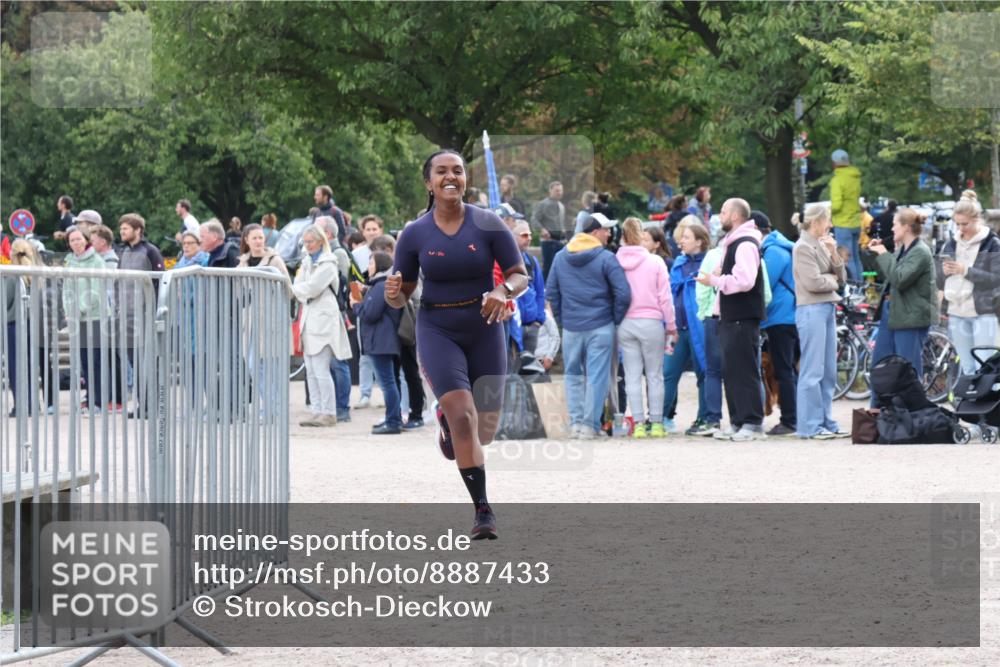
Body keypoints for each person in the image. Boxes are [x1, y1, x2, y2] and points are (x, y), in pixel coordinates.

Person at [386, 149, 528, 540]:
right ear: (428, 182)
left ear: (466, 179)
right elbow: (403, 293)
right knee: (463, 414)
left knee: (484, 430)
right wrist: (394, 292)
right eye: (442, 171)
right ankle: (483, 511)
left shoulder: (489, 224)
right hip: (438, 328)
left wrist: (503, 290)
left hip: (485, 326)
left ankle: (448, 426)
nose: (452, 177)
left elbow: (521, 275)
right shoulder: (414, 233)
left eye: (458, 171)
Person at [546, 211, 631, 439]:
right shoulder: (606, 258)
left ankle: (575, 424)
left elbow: (552, 293)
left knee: (573, 374)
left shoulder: (560, 257)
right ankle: (590, 426)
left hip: (572, 327)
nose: (609, 233)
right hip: (601, 324)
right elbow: (623, 293)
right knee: (597, 376)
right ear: (595, 232)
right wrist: (614, 319)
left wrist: (565, 320)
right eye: (606, 229)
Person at [696, 198, 766, 441]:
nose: (720, 215)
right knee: (732, 370)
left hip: (742, 316)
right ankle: (738, 420)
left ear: (736, 216)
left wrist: (715, 281)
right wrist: (720, 275)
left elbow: (745, 281)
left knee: (744, 370)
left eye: (724, 211)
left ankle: (752, 422)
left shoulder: (745, 244)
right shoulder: (733, 243)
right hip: (730, 315)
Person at [792, 204, 848, 439]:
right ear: (816, 222)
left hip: (825, 308)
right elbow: (813, 283)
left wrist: (834, 253)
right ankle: (809, 425)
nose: (831, 225)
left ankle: (825, 420)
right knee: (812, 370)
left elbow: (842, 277)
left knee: (828, 371)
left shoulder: (822, 245)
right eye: (828, 220)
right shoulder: (802, 247)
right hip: (811, 309)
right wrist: (832, 280)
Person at [615, 217, 674, 438]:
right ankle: (657, 422)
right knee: (654, 375)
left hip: (626, 322)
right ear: (641, 236)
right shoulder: (655, 262)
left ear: (622, 236)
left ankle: (638, 422)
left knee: (631, 375)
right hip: (651, 321)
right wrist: (671, 325)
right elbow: (665, 298)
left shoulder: (615, 261)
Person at [868, 207, 938, 389]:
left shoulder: (921, 252)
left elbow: (899, 279)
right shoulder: (903, 250)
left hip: (911, 317)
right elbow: (892, 276)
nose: (891, 229)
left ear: (906, 227)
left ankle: (913, 412)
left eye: (894, 225)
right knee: (881, 364)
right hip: (892, 312)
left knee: (908, 368)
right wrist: (881, 251)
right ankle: (879, 409)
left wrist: (883, 253)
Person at [292, 225, 352, 427]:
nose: (307, 245)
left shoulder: (328, 262)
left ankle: (329, 411)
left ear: (320, 241)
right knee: (310, 368)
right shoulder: (307, 261)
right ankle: (317, 409)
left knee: (321, 367)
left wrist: (298, 290)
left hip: (324, 319)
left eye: (310, 241)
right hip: (309, 316)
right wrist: (300, 289)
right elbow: (299, 284)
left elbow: (312, 288)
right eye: (305, 242)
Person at [937, 190, 1000, 375]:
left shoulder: (992, 243)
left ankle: (989, 403)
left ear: (977, 219)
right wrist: (944, 271)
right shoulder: (951, 243)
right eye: (957, 224)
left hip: (983, 311)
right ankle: (969, 403)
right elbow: (940, 279)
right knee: (967, 367)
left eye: (964, 224)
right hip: (956, 311)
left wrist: (966, 271)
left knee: (985, 365)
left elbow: (996, 278)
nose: (960, 228)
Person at [664, 222, 715, 436]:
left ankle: (704, 417)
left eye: (686, 237)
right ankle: (659, 417)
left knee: (704, 371)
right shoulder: (678, 262)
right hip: (679, 328)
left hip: (701, 326)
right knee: (668, 372)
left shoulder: (710, 263)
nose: (680, 241)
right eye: (681, 237)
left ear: (699, 241)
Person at [754, 210, 798, 437]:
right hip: (786, 315)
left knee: (784, 370)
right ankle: (794, 416)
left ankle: (790, 420)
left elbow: (762, 284)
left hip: (781, 317)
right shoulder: (779, 247)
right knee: (788, 368)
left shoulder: (773, 252)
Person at [352, 251, 403, 434]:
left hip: (380, 341)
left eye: (371, 263)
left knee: (387, 383)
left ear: (379, 265)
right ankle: (394, 419)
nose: (369, 267)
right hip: (385, 340)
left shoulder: (381, 285)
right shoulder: (382, 285)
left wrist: (356, 303)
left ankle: (393, 421)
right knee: (390, 382)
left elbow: (370, 314)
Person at [4, 240, 57, 416]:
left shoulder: (12, 274)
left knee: (16, 366)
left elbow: (6, 301)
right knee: (32, 366)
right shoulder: (38, 274)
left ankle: (22, 405)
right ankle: (34, 404)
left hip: (15, 324)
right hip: (36, 324)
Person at [63, 226, 109, 411]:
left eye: (79, 239)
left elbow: (96, 292)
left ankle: (99, 401)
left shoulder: (97, 261)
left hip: (96, 316)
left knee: (95, 360)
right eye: (72, 240)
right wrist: (68, 311)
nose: (76, 243)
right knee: (84, 361)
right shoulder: (69, 262)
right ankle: (90, 398)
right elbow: (66, 289)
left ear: (86, 239)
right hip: (77, 319)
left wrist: (79, 310)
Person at [512, 220, 546, 360]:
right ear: (512, 236)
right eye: (524, 235)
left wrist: (538, 320)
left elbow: (540, 292)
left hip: (532, 326)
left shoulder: (532, 262)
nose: (530, 238)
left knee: (528, 373)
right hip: (514, 328)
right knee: (512, 372)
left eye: (530, 235)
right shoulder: (502, 261)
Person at [829, 149, 863, 281]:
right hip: (856, 223)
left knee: (846, 259)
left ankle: (852, 286)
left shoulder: (837, 180)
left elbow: (837, 206)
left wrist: (826, 211)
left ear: (834, 163)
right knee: (855, 256)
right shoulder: (855, 178)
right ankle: (861, 286)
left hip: (843, 224)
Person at [531, 180, 568, 281]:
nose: (559, 193)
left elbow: (560, 222)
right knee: (548, 268)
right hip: (548, 242)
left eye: (560, 190)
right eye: (557, 190)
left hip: (560, 242)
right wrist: (542, 230)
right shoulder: (542, 204)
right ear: (550, 190)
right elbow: (534, 220)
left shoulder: (561, 206)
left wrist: (563, 229)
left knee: (560, 268)